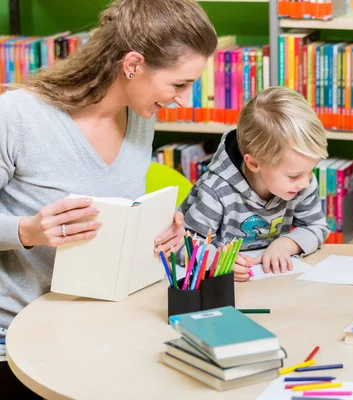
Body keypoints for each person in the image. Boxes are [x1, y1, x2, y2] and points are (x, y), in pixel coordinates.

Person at [0, 0, 217, 395]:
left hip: (98, 325)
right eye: (179, 84)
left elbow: (115, 216)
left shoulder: (141, 117)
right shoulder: (17, 116)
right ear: (133, 65)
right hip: (15, 341)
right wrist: (28, 230)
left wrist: (158, 229)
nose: (184, 100)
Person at [179, 86, 330, 282]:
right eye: (293, 176)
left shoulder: (302, 182)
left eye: (310, 171)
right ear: (254, 163)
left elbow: (317, 226)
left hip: (269, 283)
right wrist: (216, 262)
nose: (305, 182)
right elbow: (184, 244)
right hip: (223, 288)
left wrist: (285, 244)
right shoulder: (215, 191)